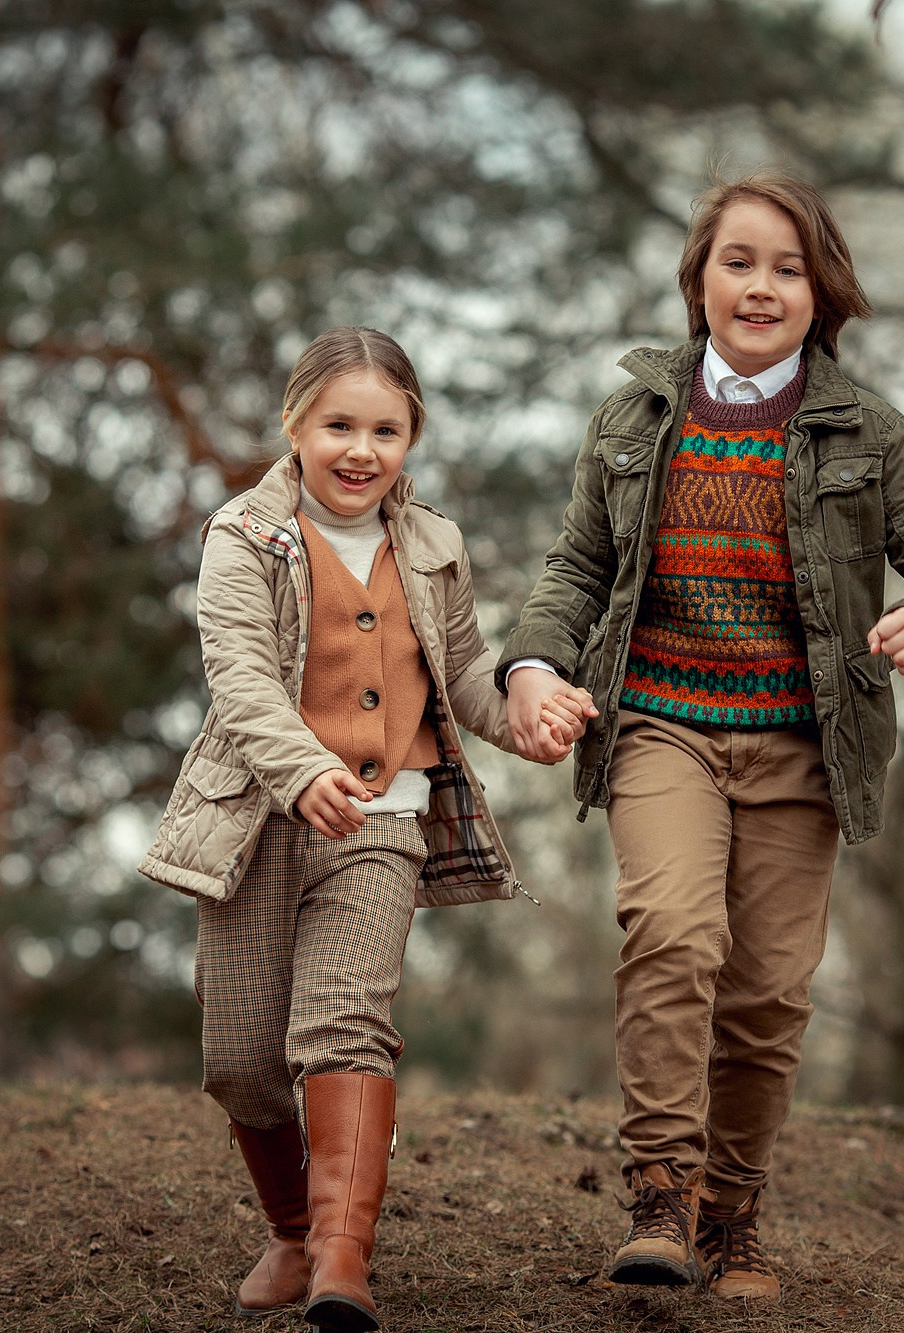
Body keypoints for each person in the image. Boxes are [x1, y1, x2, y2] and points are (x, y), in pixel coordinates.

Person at [500, 173, 904, 1301]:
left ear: (821, 291)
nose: (761, 286)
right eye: (738, 262)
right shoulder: (633, 416)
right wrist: (533, 665)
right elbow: (576, 566)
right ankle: (659, 1198)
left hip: (801, 746)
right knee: (671, 933)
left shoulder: (866, 430)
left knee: (769, 993)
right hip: (660, 725)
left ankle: (731, 1212)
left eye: (787, 267)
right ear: (699, 281)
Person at [139, 326, 590, 1329]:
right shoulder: (242, 538)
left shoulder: (432, 544)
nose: (359, 449)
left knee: (341, 1021)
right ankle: (295, 1229)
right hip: (255, 818)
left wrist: (523, 709)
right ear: (294, 424)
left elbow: (461, 672)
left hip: (384, 819)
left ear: (411, 436)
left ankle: (344, 1260)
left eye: (385, 430)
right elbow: (243, 682)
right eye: (338, 424)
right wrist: (300, 773)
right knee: (240, 1058)